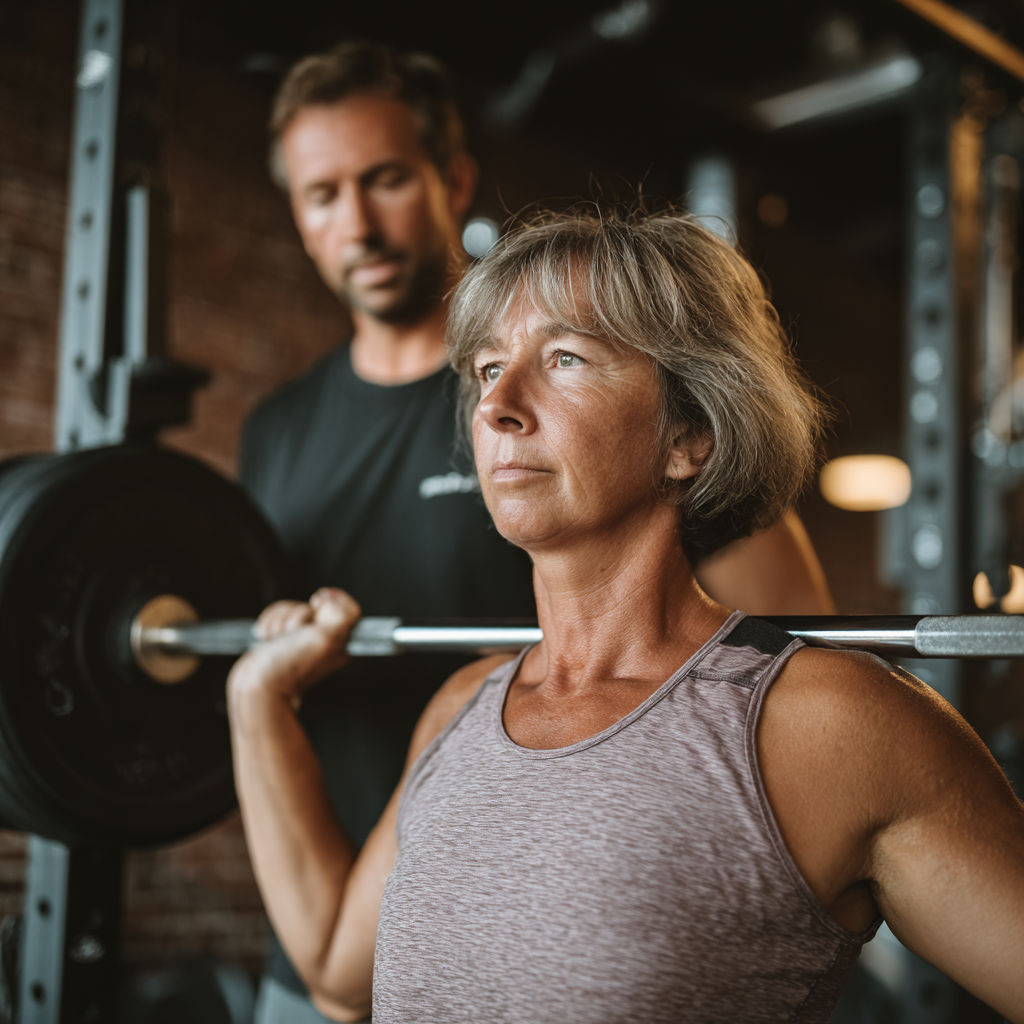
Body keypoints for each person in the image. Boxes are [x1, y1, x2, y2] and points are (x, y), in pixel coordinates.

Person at [230, 208, 1024, 1024]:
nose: (499, 404)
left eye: (566, 358)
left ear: (692, 434)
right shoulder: (457, 711)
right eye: (488, 367)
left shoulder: (829, 726)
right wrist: (255, 700)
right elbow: (334, 978)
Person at [239, 42, 836, 1021]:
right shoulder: (277, 428)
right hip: (325, 930)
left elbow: (794, 638)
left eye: (385, 178)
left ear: (452, 177)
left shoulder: (588, 402)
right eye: (322, 194)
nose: (356, 222)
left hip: (564, 943)